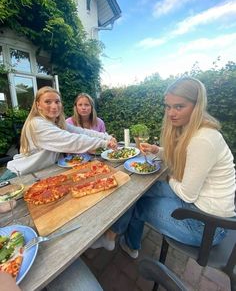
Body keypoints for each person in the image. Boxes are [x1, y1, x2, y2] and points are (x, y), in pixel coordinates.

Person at [91, 77, 236, 258]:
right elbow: (184, 154)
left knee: (137, 203)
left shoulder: (203, 140)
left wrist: (168, 178)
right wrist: (157, 150)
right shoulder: (195, 130)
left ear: (196, 106)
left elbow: (187, 194)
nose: (171, 113)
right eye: (168, 106)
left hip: (206, 225)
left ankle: (128, 244)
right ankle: (115, 237)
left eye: (179, 106)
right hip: (200, 205)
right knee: (139, 192)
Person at [5, 87, 116, 177]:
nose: (54, 106)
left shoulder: (56, 123)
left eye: (57, 102)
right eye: (48, 102)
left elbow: (81, 132)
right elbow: (71, 140)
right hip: (19, 175)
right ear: (38, 105)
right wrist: (104, 143)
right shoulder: (37, 124)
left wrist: (106, 137)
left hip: (40, 173)